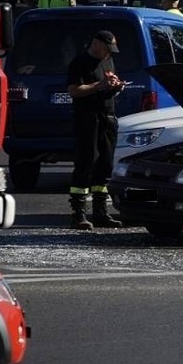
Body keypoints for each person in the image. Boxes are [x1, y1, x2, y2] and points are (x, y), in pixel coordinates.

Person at [66, 30, 125, 230]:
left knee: (105, 165)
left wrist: (116, 87)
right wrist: (99, 85)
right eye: (107, 49)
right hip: (87, 120)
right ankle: (78, 214)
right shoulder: (80, 62)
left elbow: (107, 86)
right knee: (86, 163)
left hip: (107, 118)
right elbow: (74, 90)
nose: (108, 53)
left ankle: (101, 212)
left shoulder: (107, 61)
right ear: (96, 44)